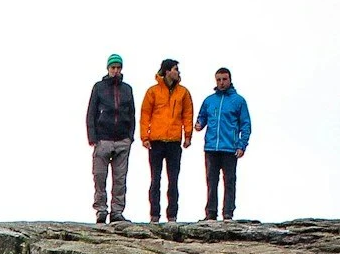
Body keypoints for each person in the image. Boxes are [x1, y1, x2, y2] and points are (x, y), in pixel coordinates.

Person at [139, 58, 193, 223]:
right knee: (155, 179)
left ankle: (172, 216)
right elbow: (145, 114)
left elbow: (187, 114)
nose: (178, 72)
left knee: (173, 180)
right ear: (167, 71)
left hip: (174, 141)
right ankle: (154, 215)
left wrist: (188, 135)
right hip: (156, 141)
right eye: (175, 69)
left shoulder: (183, 92)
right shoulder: (153, 92)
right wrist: (145, 137)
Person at [196, 67, 251, 219]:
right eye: (218, 80)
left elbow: (245, 125)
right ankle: (211, 213)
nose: (221, 83)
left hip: (230, 148)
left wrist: (242, 145)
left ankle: (228, 213)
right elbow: (202, 117)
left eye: (224, 79)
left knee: (229, 181)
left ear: (230, 79)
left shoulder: (238, 101)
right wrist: (199, 123)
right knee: (211, 182)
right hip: (211, 147)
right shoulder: (209, 100)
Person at [86, 55, 135, 225]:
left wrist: (130, 137)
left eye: (118, 67)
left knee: (120, 178)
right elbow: (91, 112)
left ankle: (117, 211)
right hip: (103, 139)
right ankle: (101, 210)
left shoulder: (127, 89)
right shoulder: (99, 87)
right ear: (108, 68)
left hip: (122, 139)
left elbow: (132, 113)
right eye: (112, 67)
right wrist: (92, 137)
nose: (115, 71)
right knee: (99, 176)